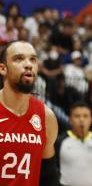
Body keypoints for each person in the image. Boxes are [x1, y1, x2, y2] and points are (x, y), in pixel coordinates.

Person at [0, 41, 59, 186]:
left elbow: (48, 177)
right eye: (19, 58)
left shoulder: (47, 117)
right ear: (3, 69)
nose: (28, 64)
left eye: (33, 59)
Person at [55, 103, 92, 186]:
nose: (81, 120)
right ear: (70, 119)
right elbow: (51, 173)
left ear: (91, 119)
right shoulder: (59, 142)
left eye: (85, 116)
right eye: (77, 116)